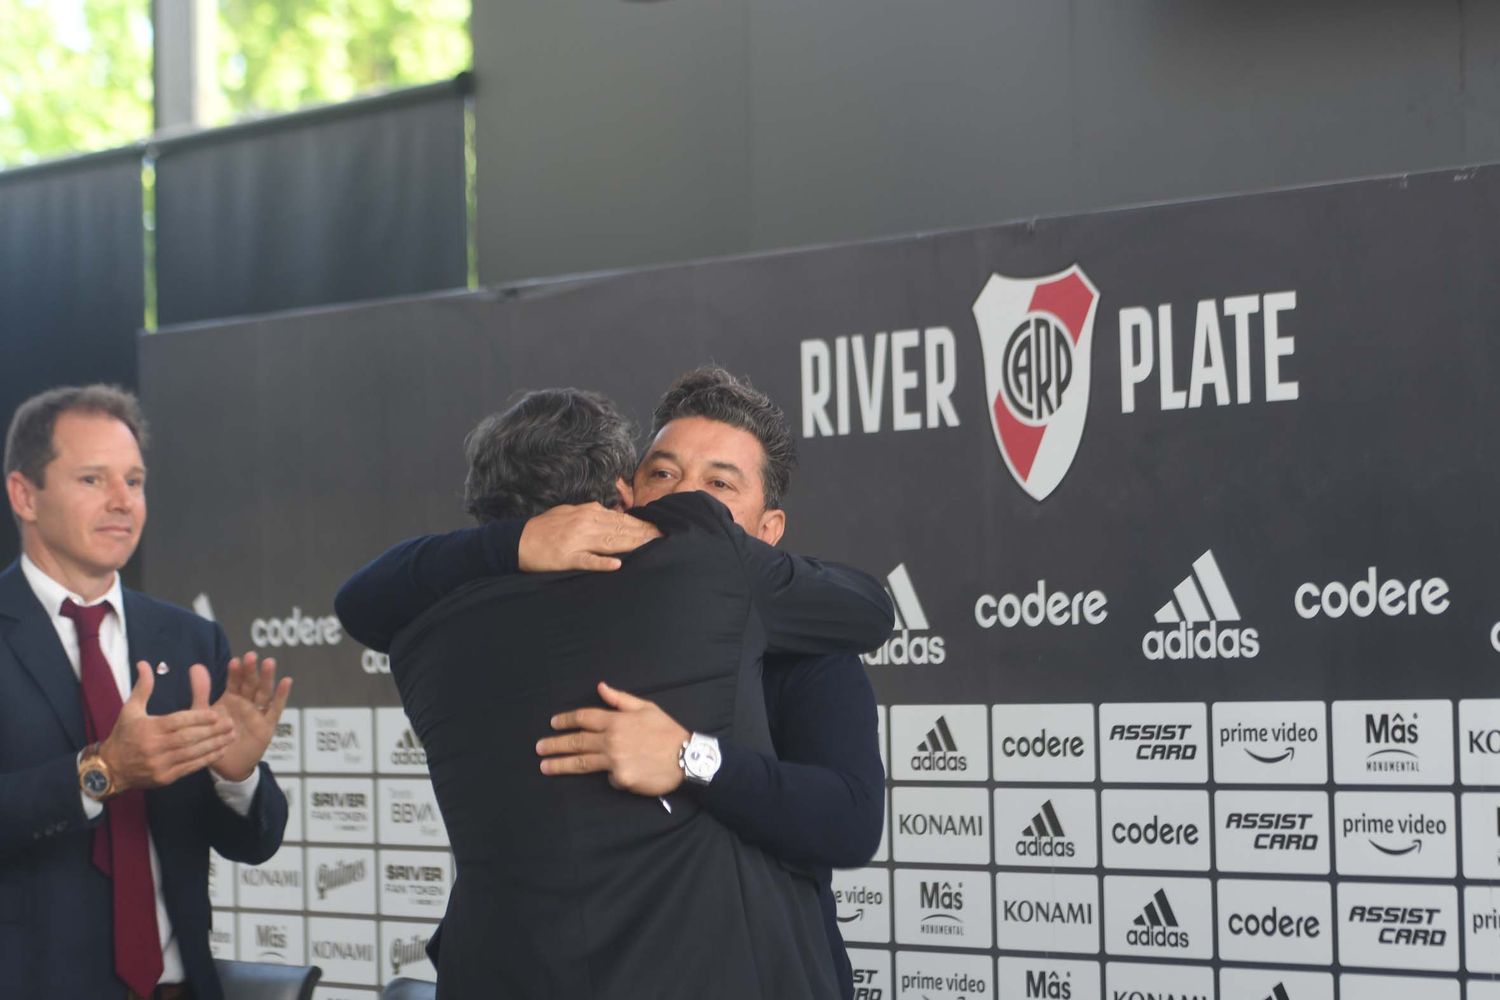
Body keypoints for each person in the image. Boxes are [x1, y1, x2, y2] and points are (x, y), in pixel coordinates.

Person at [336, 367, 886, 999]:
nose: (689, 500)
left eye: (719, 484)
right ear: (624, 492)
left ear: (769, 532)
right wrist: (517, 542)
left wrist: (692, 757)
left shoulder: (806, 643)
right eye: (663, 473)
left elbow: (849, 821)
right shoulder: (560, 603)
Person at [0, 385, 292, 1000]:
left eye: (134, 481)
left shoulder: (189, 638)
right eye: (92, 479)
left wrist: (236, 778)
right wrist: (100, 771)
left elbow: (254, 842)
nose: (121, 502)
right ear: (24, 495)